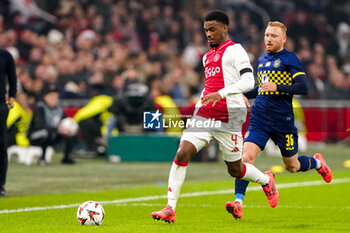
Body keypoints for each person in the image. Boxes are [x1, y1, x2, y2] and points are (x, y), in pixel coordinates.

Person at [151, 10, 278, 223]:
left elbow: (249, 82)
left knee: (235, 170)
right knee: (183, 152)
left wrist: (225, 94)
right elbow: (212, 85)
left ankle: (266, 180)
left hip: (229, 117)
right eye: (206, 30)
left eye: (212, 29)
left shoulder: (236, 50)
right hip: (205, 114)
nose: (208, 34)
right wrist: (203, 101)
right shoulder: (207, 57)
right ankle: (170, 208)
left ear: (225, 28)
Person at [231, 21, 333, 219]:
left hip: (282, 121)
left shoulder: (290, 59)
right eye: (267, 35)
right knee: (245, 158)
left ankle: (318, 163)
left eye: (274, 36)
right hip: (260, 118)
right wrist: (240, 93)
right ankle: (238, 202)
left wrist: (277, 87)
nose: (269, 39)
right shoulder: (261, 60)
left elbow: (303, 87)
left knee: (292, 166)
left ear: (283, 39)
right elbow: (261, 88)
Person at [27, 84, 75, 164]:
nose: (54, 99)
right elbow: (39, 125)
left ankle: (66, 158)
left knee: (70, 132)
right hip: (35, 136)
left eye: (55, 96)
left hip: (52, 134)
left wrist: (70, 125)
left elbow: (65, 120)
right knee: (46, 132)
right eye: (51, 96)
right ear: (45, 97)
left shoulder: (58, 109)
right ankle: (43, 158)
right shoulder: (40, 108)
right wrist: (58, 129)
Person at [0, 48, 17, 196]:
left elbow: (12, 79)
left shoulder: (5, 55)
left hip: (0, 105)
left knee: (1, 145)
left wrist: (11, 100)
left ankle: (0, 185)